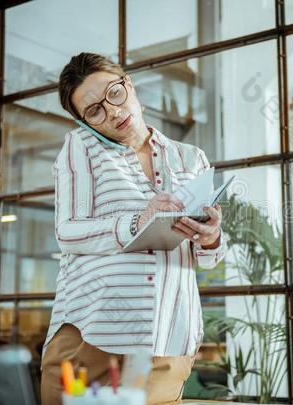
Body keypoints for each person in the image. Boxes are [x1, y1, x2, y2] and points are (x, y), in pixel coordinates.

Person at [40, 52, 228, 405]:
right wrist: (137, 221)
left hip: (167, 337)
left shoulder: (191, 158)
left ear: (129, 85)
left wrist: (211, 236)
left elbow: (206, 260)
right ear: (84, 122)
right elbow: (67, 231)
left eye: (114, 93)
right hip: (91, 334)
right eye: (94, 110)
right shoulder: (81, 148)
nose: (111, 111)